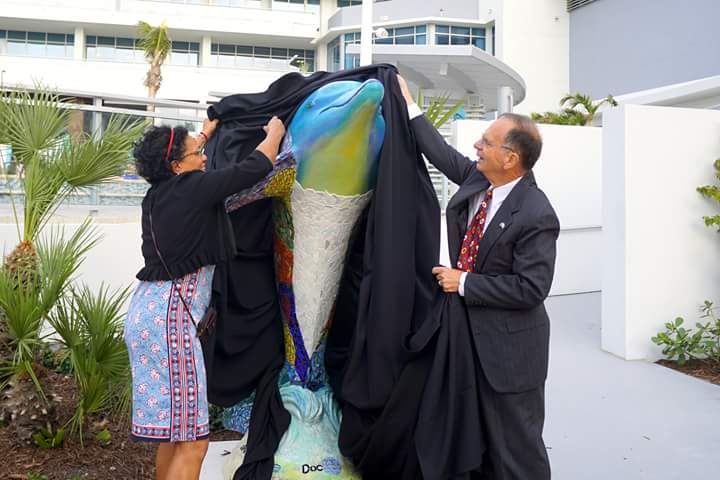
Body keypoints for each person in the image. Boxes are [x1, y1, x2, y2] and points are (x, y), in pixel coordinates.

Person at [397, 75, 559, 480]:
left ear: (511, 158)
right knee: (481, 445)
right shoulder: (479, 180)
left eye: (486, 142)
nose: (476, 146)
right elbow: (441, 154)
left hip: (509, 355)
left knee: (517, 450)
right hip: (469, 342)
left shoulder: (536, 213)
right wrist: (407, 104)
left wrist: (463, 282)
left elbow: (531, 288)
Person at [124, 115, 285, 480]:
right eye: (197, 153)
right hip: (172, 325)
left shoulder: (157, 194)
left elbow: (187, 151)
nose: (205, 156)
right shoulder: (193, 187)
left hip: (146, 316)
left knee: (175, 433)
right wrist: (275, 132)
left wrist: (205, 133)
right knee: (195, 441)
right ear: (177, 166)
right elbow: (253, 168)